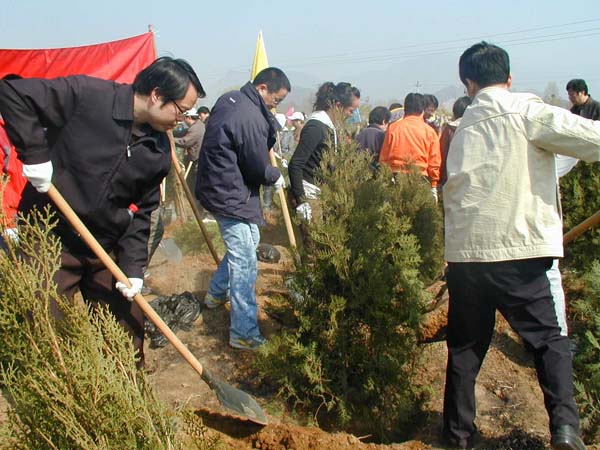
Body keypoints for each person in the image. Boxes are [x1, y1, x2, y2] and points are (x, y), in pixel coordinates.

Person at [442, 41, 600, 450]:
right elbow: (594, 141)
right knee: (550, 342)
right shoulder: (527, 110)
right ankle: (565, 429)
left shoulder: (458, 130)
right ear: (509, 79)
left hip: (465, 258)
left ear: (468, 84)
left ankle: (458, 435)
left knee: (464, 348)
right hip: (521, 253)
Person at [0, 57, 205, 368]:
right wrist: (35, 153)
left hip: (103, 246)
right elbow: (12, 93)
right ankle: (62, 400)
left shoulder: (158, 152)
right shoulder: (88, 96)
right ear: (156, 94)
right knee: (48, 330)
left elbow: (143, 210)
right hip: (50, 236)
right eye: (181, 109)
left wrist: (134, 269)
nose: (182, 118)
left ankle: (129, 403)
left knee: (125, 327)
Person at [196, 67, 289, 351]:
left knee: (250, 243)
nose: (277, 105)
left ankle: (215, 294)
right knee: (245, 261)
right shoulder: (248, 115)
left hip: (225, 188)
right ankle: (243, 332)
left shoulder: (232, 99)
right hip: (229, 193)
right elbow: (255, 165)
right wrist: (274, 176)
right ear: (262, 89)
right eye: (276, 99)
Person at [288, 82, 360, 224]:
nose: (351, 115)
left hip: (324, 193)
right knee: (315, 242)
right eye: (351, 110)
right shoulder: (316, 127)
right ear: (338, 106)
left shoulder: (332, 128)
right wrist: (302, 200)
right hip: (310, 193)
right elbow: (295, 164)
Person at [378, 93, 441, 201]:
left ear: (405, 109)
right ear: (422, 110)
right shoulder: (429, 132)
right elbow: (434, 162)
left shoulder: (393, 128)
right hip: (420, 178)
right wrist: (434, 185)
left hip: (396, 177)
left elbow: (384, 157)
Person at [174, 107, 206, 202]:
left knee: (193, 186)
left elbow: (185, 142)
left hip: (197, 161)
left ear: (189, 117)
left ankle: (197, 207)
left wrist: (171, 140)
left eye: (185, 118)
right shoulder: (196, 126)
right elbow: (182, 133)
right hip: (196, 159)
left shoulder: (196, 129)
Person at [439, 96, 471, 186]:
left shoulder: (449, 129)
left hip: (450, 178)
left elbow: (442, 153)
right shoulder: (477, 128)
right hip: (471, 180)